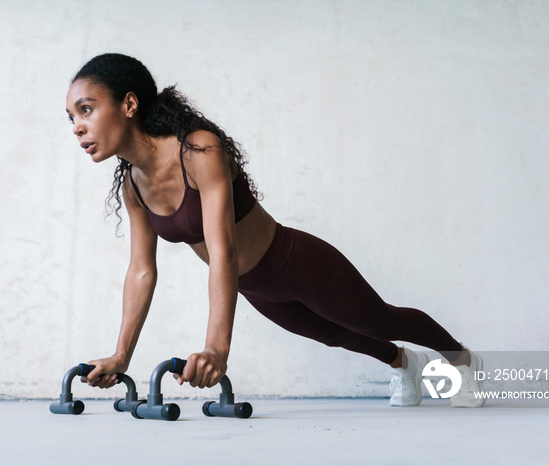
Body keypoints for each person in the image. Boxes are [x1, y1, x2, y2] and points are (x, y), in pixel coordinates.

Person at [65, 53, 484, 408]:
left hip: (296, 262)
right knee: (335, 336)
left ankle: (464, 362)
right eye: (71, 117)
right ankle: (406, 367)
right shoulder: (133, 186)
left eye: (86, 109)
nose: (78, 127)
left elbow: (222, 249)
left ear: (129, 104)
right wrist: (122, 356)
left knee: (380, 321)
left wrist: (216, 348)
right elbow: (141, 271)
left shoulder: (198, 149)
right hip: (255, 287)